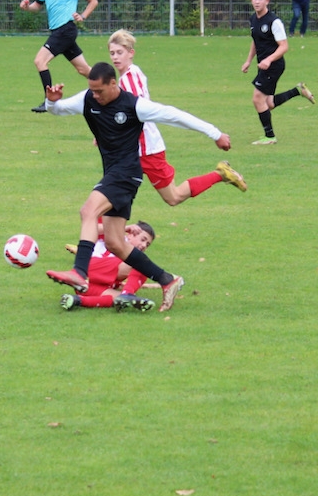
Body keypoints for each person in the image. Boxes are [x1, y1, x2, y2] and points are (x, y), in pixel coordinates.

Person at [44, 62, 231, 313]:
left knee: (88, 211)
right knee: (115, 243)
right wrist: (52, 102)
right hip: (115, 174)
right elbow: (58, 109)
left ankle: (79, 271)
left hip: (126, 174)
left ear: (113, 83)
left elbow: (174, 115)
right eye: (92, 90)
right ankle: (167, 280)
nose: (95, 95)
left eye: (99, 91)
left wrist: (215, 134)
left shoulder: (134, 106)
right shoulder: (87, 99)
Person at [108, 29, 247, 204]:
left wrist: (111, 130)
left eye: (119, 52)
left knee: (173, 197)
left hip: (145, 147)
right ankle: (99, 221)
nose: (115, 57)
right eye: (112, 53)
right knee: (111, 192)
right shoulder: (130, 74)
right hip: (132, 149)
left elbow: (133, 113)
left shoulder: (129, 78)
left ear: (131, 53)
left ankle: (221, 174)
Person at [20, 0, 99, 113]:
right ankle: (112, 89)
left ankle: (48, 101)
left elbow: (93, 1)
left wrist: (83, 16)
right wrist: (27, 7)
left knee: (40, 61)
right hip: (57, 32)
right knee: (83, 70)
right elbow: (37, 6)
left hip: (66, 30)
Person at [242, 0, 315, 146]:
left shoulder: (274, 22)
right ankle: (298, 91)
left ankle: (270, 137)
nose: (257, 2)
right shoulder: (253, 19)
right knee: (268, 104)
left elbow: (284, 46)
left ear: (267, 1)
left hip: (274, 65)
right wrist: (248, 60)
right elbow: (255, 41)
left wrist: (269, 60)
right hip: (264, 66)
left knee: (257, 99)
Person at [60, 221, 158, 312]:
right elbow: (91, 228)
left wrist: (149, 286)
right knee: (142, 264)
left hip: (88, 285)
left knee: (117, 298)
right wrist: (124, 228)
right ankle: (128, 294)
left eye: (147, 244)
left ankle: (77, 300)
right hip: (91, 271)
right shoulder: (116, 239)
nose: (144, 245)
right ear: (130, 234)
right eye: (142, 240)